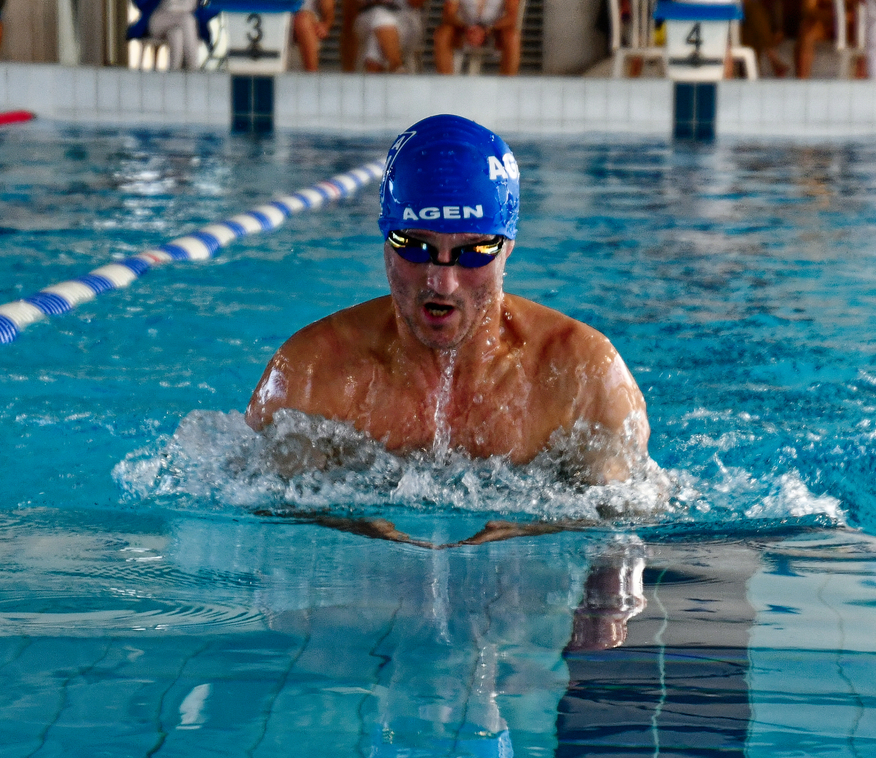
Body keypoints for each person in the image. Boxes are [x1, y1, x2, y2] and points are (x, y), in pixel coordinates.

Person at [246, 115, 652, 487]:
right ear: (385, 239)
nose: (442, 282)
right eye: (414, 246)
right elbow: (258, 507)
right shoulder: (312, 373)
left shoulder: (582, 375)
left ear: (508, 246)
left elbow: (629, 518)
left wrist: (540, 527)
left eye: (473, 252)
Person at [433, 0, 522, 75]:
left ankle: (508, 85)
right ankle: (445, 84)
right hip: (465, 28)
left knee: (512, 37)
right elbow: (448, 13)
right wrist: (467, 28)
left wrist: (486, 30)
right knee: (442, 34)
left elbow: (512, 16)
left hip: (495, 29)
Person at [796, 0, 855, 77]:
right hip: (826, 23)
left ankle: (863, 83)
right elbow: (807, 8)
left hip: (852, 26)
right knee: (807, 29)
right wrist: (835, 17)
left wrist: (849, 17)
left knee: (869, 31)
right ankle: (802, 82)